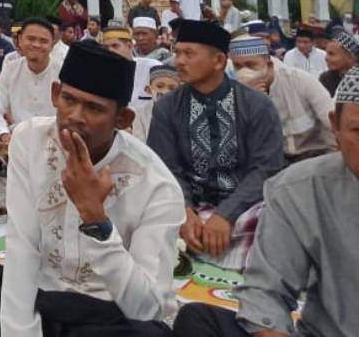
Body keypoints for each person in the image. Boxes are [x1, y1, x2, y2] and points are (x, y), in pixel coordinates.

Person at [0, 41, 184, 337]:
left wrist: (96, 220)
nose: (75, 116)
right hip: (42, 296)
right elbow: (22, 247)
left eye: (94, 108)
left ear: (122, 120)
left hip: (106, 316)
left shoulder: (156, 184)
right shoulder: (29, 140)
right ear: (56, 94)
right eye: (69, 100)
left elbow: (146, 307)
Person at [173, 64, 359, 337]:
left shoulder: (285, 92)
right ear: (335, 127)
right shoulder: (300, 189)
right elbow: (266, 293)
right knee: (199, 320)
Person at [145, 19, 283, 270]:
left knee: (277, 220)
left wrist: (226, 214)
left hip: (246, 207)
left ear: (218, 61)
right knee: (148, 214)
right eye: (177, 53)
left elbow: (266, 168)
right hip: (189, 206)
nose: (179, 61)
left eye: (189, 54)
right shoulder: (167, 107)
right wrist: (184, 211)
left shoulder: (257, 105)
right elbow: (165, 168)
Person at [229, 33, 336, 162]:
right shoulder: (234, 92)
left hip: (316, 156)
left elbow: (332, 122)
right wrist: (250, 103)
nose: (244, 72)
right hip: (273, 162)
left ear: (269, 65)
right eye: (238, 67)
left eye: (251, 65)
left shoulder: (300, 80)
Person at [0, 18, 62, 163]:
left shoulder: (63, 72)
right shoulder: (11, 69)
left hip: (55, 143)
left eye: (43, 41)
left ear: (52, 44)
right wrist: (4, 135)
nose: (36, 45)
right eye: (31, 39)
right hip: (18, 142)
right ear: (20, 40)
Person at [102, 21, 162, 140]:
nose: (110, 51)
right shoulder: (102, 73)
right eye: (106, 47)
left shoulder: (151, 67)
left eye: (115, 46)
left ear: (129, 46)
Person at [321, 27, 358, 96]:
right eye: (326, 53)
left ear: (350, 57)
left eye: (331, 54)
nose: (326, 58)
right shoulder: (326, 78)